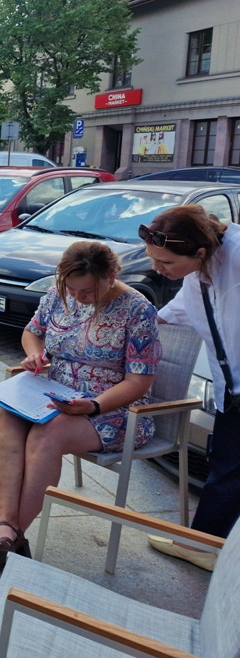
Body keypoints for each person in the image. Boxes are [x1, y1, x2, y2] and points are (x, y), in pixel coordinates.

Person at [0, 241, 161, 570]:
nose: (77, 298)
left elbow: (139, 382)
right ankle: (6, 527)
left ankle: (11, 535)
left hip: (113, 409)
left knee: (49, 433)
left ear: (112, 276)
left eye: (86, 291)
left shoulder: (137, 308)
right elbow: (32, 332)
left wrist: (92, 405)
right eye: (71, 288)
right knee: (7, 416)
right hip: (54, 394)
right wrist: (34, 353)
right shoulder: (58, 293)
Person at [141, 206, 240, 570]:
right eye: (154, 259)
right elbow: (180, 308)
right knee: (227, 468)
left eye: (165, 262)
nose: (157, 269)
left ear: (198, 252)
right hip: (233, 386)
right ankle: (205, 543)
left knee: (229, 470)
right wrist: (143, 323)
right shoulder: (199, 268)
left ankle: (203, 545)